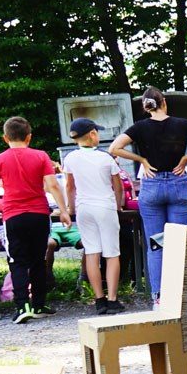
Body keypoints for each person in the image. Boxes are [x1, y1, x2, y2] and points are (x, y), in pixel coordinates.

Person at [110, 88, 187, 304]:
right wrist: (186, 157)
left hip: (151, 184)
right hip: (178, 184)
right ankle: (179, 294)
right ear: (165, 103)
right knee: (178, 243)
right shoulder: (182, 124)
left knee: (155, 244)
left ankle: (159, 296)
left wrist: (141, 160)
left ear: (146, 107)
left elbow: (115, 148)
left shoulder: (139, 127)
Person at [0, 117, 66, 323]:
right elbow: (53, 185)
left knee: (17, 261)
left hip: (14, 216)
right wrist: (64, 210)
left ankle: (23, 306)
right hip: (40, 215)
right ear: (29, 137)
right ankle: (40, 304)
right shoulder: (41, 156)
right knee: (38, 260)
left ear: (5, 138)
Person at [62, 118, 126, 315]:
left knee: (92, 253)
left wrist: (70, 208)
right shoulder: (106, 158)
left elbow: (70, 186)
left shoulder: (70, 158)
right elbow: (118, 185)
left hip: (83, 208)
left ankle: (99, 299)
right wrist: (118, 205)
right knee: (112, 253)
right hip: (105, 207)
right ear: (91, 134)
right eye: (96, 132)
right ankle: (113, 299)